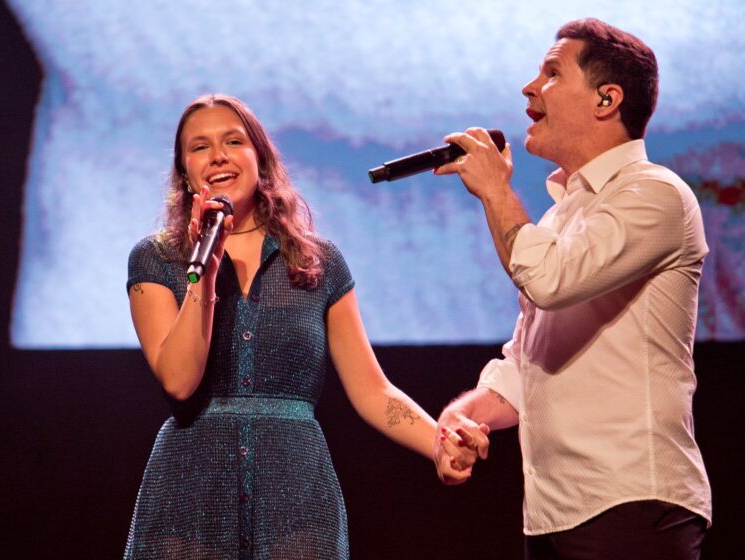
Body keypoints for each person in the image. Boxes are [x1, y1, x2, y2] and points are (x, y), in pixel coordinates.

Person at [124, 93, 462, 559]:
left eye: (233, 141)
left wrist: (439, 443)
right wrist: (206, 264)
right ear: (184, 171)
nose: (218, 155)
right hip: (189, 500)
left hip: (296, 501)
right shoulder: (157, 260)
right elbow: (180, 381)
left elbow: (373, 391)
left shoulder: (318, 263)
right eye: (199, 147)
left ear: (259, 158)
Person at [432, 18, 712, 560]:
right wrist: (466, 414)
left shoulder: (655, 196)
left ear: (607, 99)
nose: (529, 88)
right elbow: (530, 360)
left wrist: (495, 190)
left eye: (552, 72)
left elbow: (551, 281)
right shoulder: (562, 218)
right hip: (554, 514)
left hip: (630, 504)